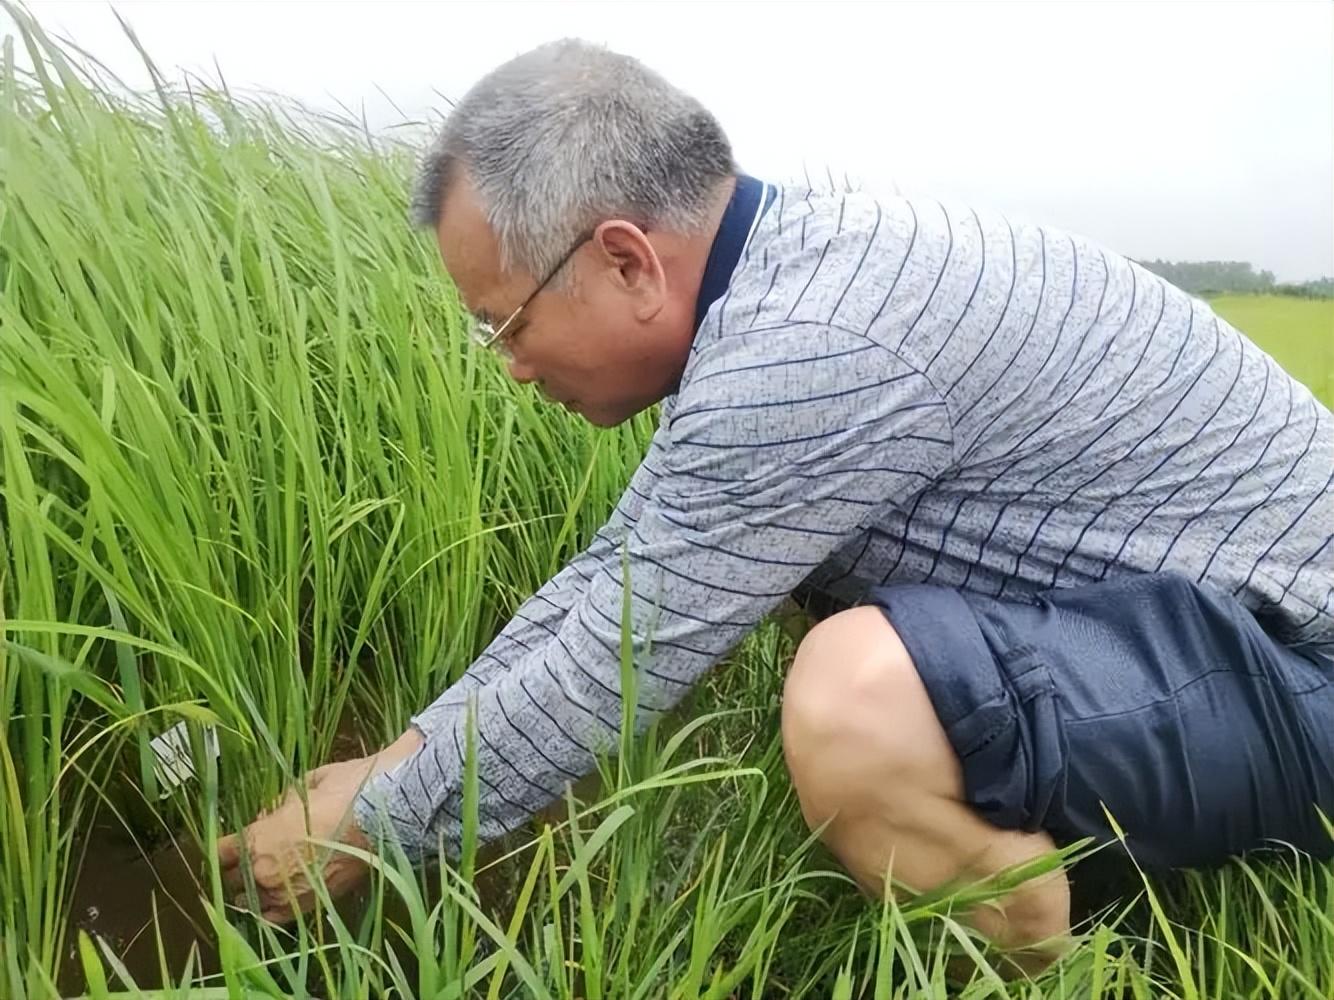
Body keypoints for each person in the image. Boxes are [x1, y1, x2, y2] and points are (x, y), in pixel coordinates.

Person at [218, 38, 1334, 969]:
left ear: (624, 260)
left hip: (1305, 660)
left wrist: (371, 824)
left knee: (852, 699)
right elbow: (618, 573)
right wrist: (399, 754)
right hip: (1218, 633)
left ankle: (1038, 934)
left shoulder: (812, 349)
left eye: (507, 324)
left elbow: (615, 658)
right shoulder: (790, 280)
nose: (511, 365)